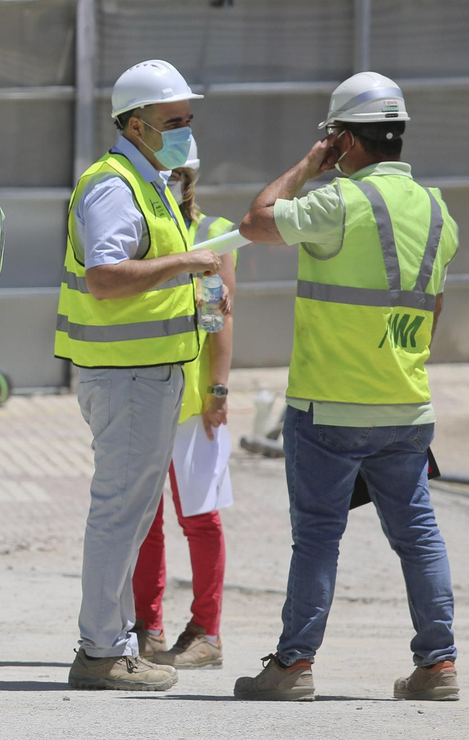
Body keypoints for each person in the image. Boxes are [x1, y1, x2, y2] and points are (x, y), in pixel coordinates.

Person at [234, 72, 459, 703]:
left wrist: (309, 164)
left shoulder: (338, 201)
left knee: (317, 538)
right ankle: (439, 665)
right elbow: (433, 307)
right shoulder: (437, 210)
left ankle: (293, 666)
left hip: (329, 406)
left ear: (345, 139)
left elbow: (256, 220)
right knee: (418, 537)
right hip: (405, 406)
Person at [55, 60, 221, 692]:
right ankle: (102, 650)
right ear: (133, 125)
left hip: (147, 374)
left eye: (187, 119)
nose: (183, 131)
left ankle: (116, 641)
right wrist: (185, 263)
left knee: (129, 513)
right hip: (127, 377)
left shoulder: (147, 182)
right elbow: (105, 277)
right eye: (171, 121)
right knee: (119, 514)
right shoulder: (114, 186)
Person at [132, 142, 234, 671]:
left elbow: (219, 317)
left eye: (176, 173)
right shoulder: (140, 229)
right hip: (145, 393)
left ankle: (206, 631)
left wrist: (218, 389)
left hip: (193, 401)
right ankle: (147, 627)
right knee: (143, 520)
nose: (170, 179)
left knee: (198, 517)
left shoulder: (212, 233)